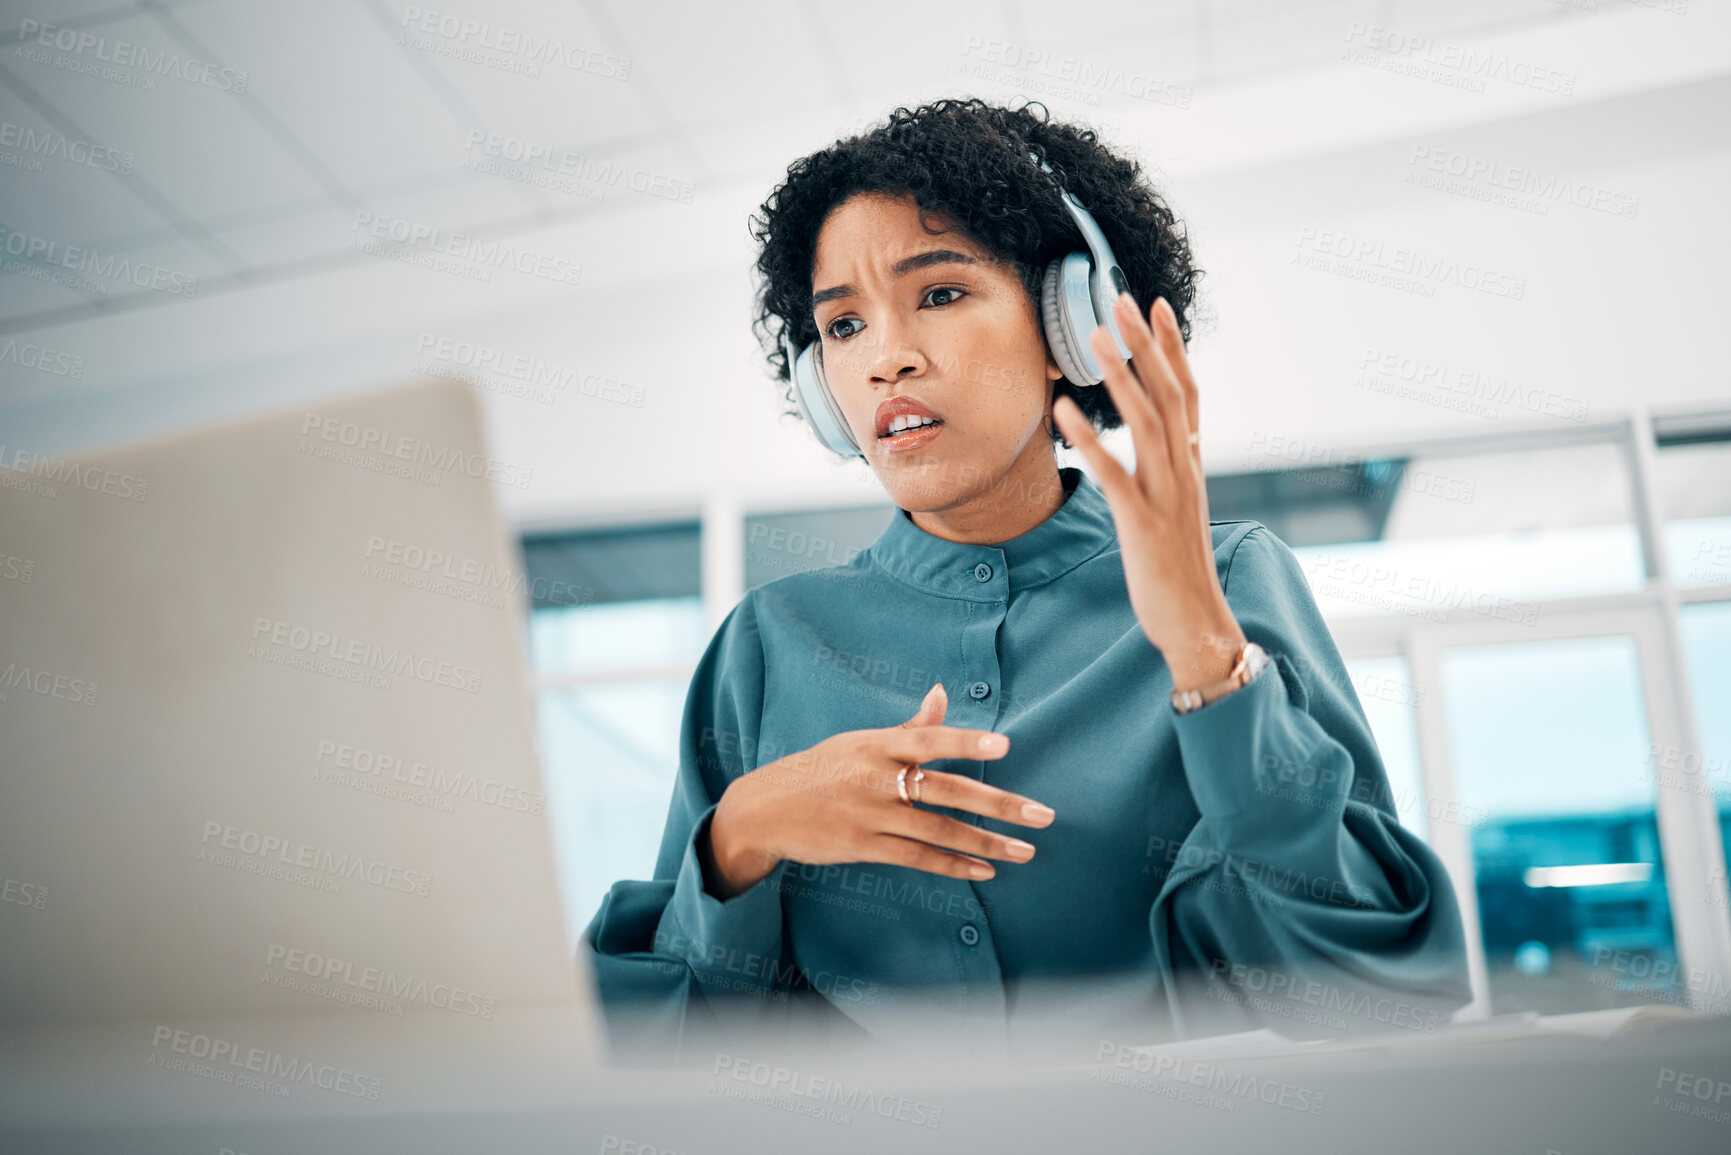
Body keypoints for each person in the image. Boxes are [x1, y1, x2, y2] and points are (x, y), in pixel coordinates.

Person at [582, 97, 1471, 1062]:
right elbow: (662, 1056)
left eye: (940, 294)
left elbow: (1378, 990)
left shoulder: (1221, 575)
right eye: (842, 325)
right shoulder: (766, 642)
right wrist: (743, 833)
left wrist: (1208, 662)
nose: (889, 359)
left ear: (1067, 321)